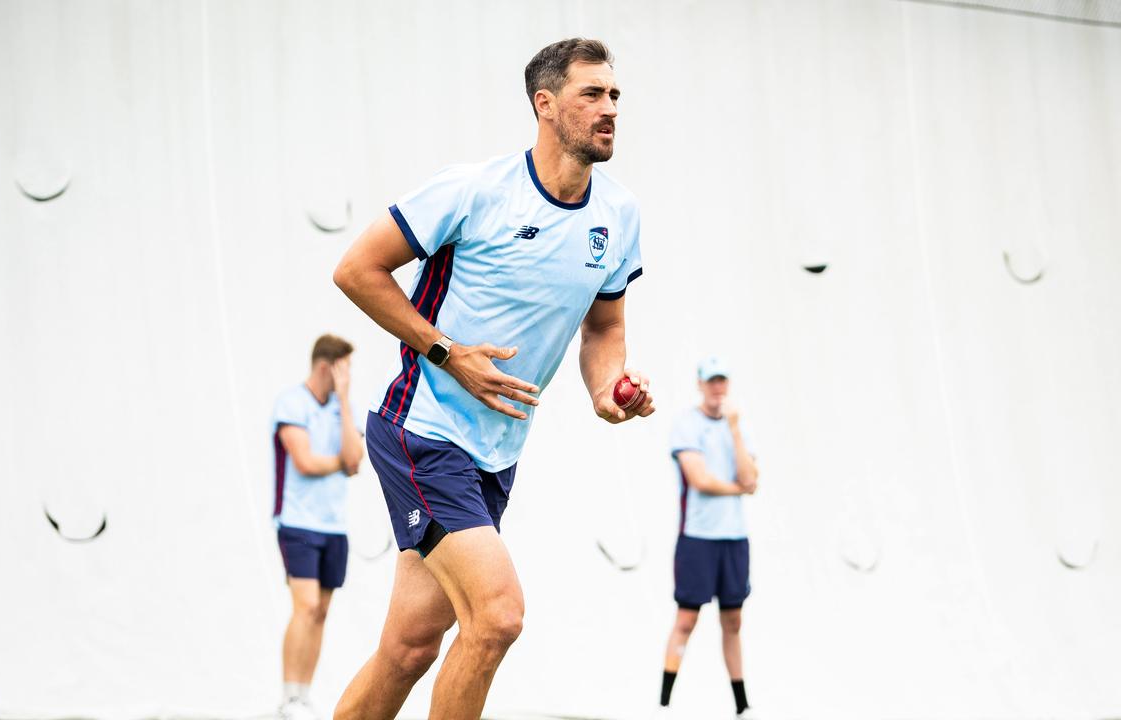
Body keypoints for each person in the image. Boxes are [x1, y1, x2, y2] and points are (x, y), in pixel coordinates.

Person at [331, 38, 652, 720]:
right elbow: (357, 270)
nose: (610, 109)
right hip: (422, 431)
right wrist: (447, 352)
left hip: (494, 455)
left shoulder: (618, 216)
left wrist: (608, 388)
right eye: (591, 94)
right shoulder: (475, 190)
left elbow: (604, 330)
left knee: (411, 647)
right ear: (545, 104)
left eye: (615, 95)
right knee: (498, 615)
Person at [659, 356, 760, 719]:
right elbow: (699, 479)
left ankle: (741, 704)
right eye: (711, 381)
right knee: (686, 618)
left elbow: (752, 478)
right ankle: (664, 702)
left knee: (733, 621)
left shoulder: (739, 427)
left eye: (722, 381)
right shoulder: (687, 424)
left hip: (734, 538)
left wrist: (733, 430)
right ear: (700, 384)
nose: (717, 388)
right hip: (698, 537)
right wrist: (739, 487)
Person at [271, 334, 364, 720]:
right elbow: (305, 462)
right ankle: (288, 695)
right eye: (345, 370)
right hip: (297, 523)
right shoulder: (291, 403)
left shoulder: (342, 408)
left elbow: (356, 462)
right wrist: (339, 461)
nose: (349, 377)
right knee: (305, 606)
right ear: (328, 367)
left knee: (322, 611)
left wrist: (343, 401)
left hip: (334, 526)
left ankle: (303, 695)